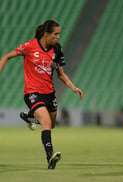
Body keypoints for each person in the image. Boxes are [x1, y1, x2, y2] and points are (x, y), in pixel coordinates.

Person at [0, 20, 84, 169]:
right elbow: (6, 56)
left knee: (51, 125)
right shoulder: (29, 47)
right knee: (45, 122)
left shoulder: (57, 49)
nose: (58, 37)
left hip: (49, 93)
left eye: (59, 34)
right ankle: (49, 157)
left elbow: (60, 74)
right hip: (32, 92)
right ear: (46, 34)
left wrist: (73, 87)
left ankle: (30, 117)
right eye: (55, 34)